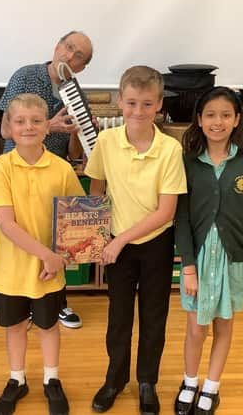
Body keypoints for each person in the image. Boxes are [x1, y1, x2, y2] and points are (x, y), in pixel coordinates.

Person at [84, 65, 187, 415]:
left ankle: (147, 382)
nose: (138, 111)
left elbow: (166, 211)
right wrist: (99, 238)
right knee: (119, 316)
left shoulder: (171, 149)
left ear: (159, 105)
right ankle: (114, 379)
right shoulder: (106, 141)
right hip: (116, 243)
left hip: (155, 242)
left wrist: (121, 240)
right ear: (119, 102)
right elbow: (96, 189)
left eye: (146, 104)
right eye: (131, 103)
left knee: (154, 315)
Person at [0, 94, 85, 415]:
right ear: (9, 127)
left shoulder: (62, 168)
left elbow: (78, 218)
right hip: (12, 269)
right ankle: (17, 379)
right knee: (14, 326)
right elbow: (6, 222)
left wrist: (62, 256)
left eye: (36, 120)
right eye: (20, 121)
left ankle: (51, 379)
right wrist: (47, 255)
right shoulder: (0, 167)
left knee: (48, 325)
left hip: (50, 270)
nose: (29, 127)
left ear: (48, 127)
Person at [173, 86, 243, 415]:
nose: (218, 122)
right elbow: (181, 219)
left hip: (234, 258)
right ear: (199, 120)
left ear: (237, 119)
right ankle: (189, 381)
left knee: (223, 324)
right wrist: (188, 266)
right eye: (211, 115)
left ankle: (211, 386)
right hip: (197, 259)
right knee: (196, 328)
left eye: (226, 115)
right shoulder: (187, 164)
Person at [0, 30, 93, 329]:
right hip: (19, 172)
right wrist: (48, 125)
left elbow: (74, 152)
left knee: (55, 239)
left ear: (81, 67)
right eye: (68, 47)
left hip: (54, 174)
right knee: (23, 235)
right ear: (57, 46)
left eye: (79, 56)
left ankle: (56, 303)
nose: (69, 56)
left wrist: (78, 133)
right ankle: (21, 303)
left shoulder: (77, 94)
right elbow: (3, 130)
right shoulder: (26, 76)